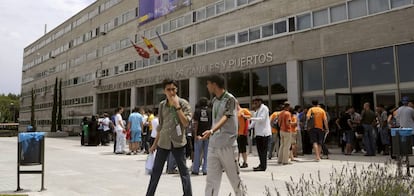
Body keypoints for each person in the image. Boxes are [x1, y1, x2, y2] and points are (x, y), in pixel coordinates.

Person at [146, 78, 192, 196]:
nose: (171, 92)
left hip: (178, 142)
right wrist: (154, 144)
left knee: (183, 172)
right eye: (168, 90)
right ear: (164, 91)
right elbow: (161, 126)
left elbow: (186, 123)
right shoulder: (162, 105)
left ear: (177, 89)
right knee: (156, 171)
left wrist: (177, 107)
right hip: (163, 142)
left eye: (173, 89)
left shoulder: (183, 104)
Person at [201, 74, 245, 196]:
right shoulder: (214, 100)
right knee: (211, 180)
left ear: (214, 84)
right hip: (214, 145)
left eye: (208, 83)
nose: (207, 86)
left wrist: (212, 131)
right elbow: (216, 120)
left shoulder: (230, 99)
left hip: (228, 145)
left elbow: (226, 116)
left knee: (234, 179)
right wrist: (210, 132)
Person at [250, 97, 272, 171]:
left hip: (264, 134)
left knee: (263, 151)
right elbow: (254, 122)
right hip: (258, 134)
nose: (255, 105)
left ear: (260, 102)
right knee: (259, 151)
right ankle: (261, 164)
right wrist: (248, 127)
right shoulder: (257, 111)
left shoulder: (264, 108)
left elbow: (262, 119)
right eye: (254, 103)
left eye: (256, 103)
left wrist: (250, 118)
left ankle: (263, 166)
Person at [192, 97, 212, 175]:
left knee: (197, 152)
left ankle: (196, 169)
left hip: (199, 135)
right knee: (206, 153)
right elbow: (211, 123)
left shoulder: (197, 111)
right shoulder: (210, 111)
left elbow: (196, 123)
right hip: (207, 134)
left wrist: (195, 134)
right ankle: (205, 169)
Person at [237, 103, 251, 168]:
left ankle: (245, 162)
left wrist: (244, 116)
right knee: (236, 149)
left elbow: (250, 116)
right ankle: (237, 162)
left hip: (242, 133)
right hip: (235, 134)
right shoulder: (233, 112)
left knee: (243, 149)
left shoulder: (243, 110)